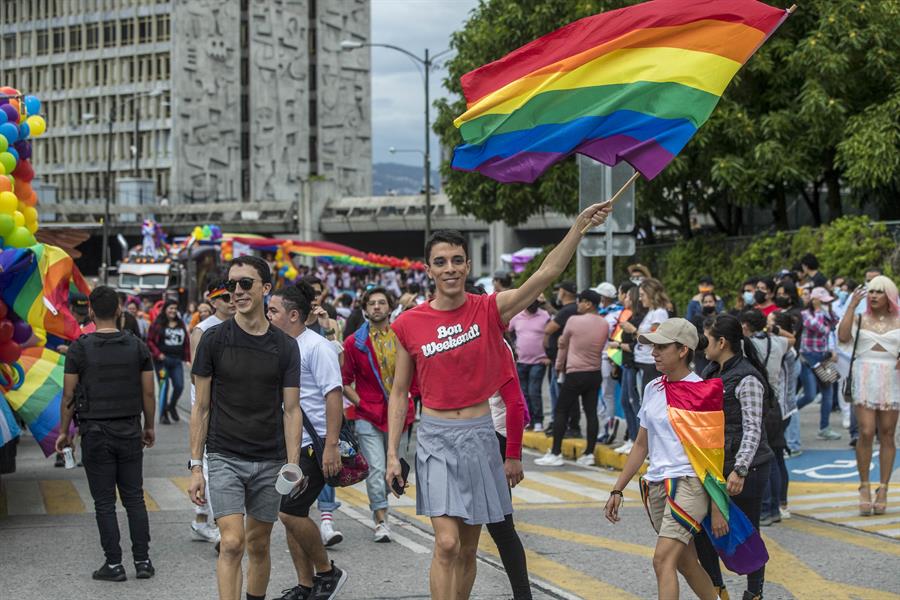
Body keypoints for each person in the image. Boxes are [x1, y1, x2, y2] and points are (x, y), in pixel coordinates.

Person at [386, 201, 610, 600]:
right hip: (435, 438)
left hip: (478, 437)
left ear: (468, 266)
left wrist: (578, 226)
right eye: (441, 262)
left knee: (469, 548)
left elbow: (546, 274)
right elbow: (400, 392)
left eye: (457, 260)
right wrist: (391, 455)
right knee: (447, 544)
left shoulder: (489, 309)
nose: (450, 268)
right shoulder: (408, 323)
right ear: (429, 270)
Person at [189, 255, 302, 600]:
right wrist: (196, 466)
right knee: (233, 542)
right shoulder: (213, 339)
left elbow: (292, 409)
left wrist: (293, 464)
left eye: (245, 283)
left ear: (266, 289)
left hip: (270, 459)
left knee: (259, 543)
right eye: (232, 284)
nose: (236, 291)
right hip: (224, 455)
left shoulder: (285, 346)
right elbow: (201, 407)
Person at [604, 318, 718, 600]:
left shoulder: (703, 392)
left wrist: (717, 505)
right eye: (652, 346)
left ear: (683, 350)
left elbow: (714, 455)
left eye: (661, 346)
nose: (653, 352)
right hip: (655, 485)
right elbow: (641, 444)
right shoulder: (653, 387)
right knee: (686, 563)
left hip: (689, 484)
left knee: (661, 560)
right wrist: (617, 489)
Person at [55, 285, 157, 582]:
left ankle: (113, 565)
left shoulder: (79, 348)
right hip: (128, 429)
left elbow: (68, 396)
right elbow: (148, 392)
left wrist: (65, 432)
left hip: (95, 432)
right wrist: (148, 425)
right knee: (134, 498)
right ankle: (143, 561)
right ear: (118, 310)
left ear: (90, 311)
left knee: (104, 502)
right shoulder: (137, 346)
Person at [267, 284, 349, 600]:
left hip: (314, 447)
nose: (268, 315)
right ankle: (305, 585)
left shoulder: (317, 347)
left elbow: (334, 396)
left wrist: (330, 445)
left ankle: (328, 572)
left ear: (293, 314)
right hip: (289, 444)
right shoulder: (281, 347)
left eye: (273, 310)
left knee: (289, 511)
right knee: (291, 515)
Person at [696, 314, 774, 600]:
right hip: (716, 466)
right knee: (701, 529)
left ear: (722, 342)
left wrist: (740, 469)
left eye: (707, 338)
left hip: (748, 469)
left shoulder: (747, 377)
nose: (703, 345)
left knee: (748, 532)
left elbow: (753, 428)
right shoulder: (711, 371)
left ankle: (754, 593)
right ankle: (717, 590)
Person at [341, 286, 416, 542]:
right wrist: (360, 403)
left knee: (394, 470)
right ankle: (381, 519)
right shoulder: (354, 342)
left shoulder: (403, 337)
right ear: (364, 309)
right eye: (371, 303)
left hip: (400, 415)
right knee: (375, 468)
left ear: (390, 307)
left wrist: (412, 397)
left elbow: (416, 374)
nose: (376, 307)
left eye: (381, 302)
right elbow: (344, 380)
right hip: (368, 415)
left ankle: (383, 503)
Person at [838, 276, 900, 516]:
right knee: (865, 431)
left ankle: (883, 488)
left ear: (889, 296)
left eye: (879, 292)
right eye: (871, 291)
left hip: (891, 379)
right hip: (864, 375)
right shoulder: (860, 317)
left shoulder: (898, 320)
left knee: (887, 433)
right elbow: (843, 337)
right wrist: (852, 306)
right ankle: (864, 485)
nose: (873, 296)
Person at [536, 289, 609, 467]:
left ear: (588, 304)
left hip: (575, 372)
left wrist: (559, 366)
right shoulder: (604, 323)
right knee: (591, 412)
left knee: (561, 411)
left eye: (580, 301)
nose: (577, 305)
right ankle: (589, 453)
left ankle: (555, 452)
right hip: (594, 372)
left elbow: (563, 345)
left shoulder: (573, 321)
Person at [188, 281, 236, 544]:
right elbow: (198, 375)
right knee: (208, 463)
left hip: (231, 405)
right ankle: (219, 525)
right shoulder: (202, 330)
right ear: (214, 301)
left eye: (234, 295)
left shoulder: (241, 325)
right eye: (225, 297)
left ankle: (201, 519)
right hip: (207, 405)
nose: (232, 300)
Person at [741, 309, 791, 527]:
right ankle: (778, 505)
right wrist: (774, 330)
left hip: (758, 401)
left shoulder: (746, 345)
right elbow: (793, 339)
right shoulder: (778, 342)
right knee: (777, 456)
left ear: (746, 326)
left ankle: (767, 508)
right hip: (776, 403)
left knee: (764, 459)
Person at [798, 287, 842, 441]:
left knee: (828, 394)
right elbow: (820, 328)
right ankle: (787, 417)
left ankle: (824, 428)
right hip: (807, 358)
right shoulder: (805, 314)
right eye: (823, 301)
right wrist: (820, 311)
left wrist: (827, 311)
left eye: (827, 302)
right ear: (814, 300)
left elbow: (835, 324)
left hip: (822, 357)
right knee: (809, 395)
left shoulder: (826, 314)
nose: (826, 304)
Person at [608, 284, 644, 453]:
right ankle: (632, 438)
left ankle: (639, 441)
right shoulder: (630, 317)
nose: (625, 299)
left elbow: (636, 343)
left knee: (635, 403)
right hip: (626, 364)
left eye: (629, 296)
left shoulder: (638, 320)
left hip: (635, 365)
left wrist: (618, 345)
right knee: (626, 401)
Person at [508, 294, 551, 431]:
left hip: (539, 361)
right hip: (520, 361)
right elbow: (508, 332)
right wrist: (513, 350)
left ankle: (538, 420)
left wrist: (548, 356)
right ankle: (529, 420)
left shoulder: (545, 316)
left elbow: (552, 336)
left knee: (534, 391)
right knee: (524, 393)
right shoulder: (517, 316)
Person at [543, 280, 581, 436]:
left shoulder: (567, 311)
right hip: (560, 359)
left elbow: (550, 328)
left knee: (561, 395)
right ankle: (561, 424)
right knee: (558, 393)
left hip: (562, 361)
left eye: (559, 291)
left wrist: (546, 338)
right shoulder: (571, 309)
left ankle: (568, 426)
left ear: (563, 292)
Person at [147, 301, 191, 425]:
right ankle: (163, 415)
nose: (173, 310)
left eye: (175, 308)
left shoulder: (181, 323)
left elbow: (186, 341)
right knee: (164, 387)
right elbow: (150, 340)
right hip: (162, 361)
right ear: (165, 309)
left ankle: (171, 406)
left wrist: (187, 358)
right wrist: (158, 354)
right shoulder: (158, 323)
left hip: (177, 360)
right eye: (171, 308)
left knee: (179, 385)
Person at [595, 282, 623, 444]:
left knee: (607, 394)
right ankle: (602, 428)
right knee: (600, 396)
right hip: (597, 357)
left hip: (608, 357)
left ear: (604, 298)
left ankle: (608, 428)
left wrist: (613, 361)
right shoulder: (601, 313)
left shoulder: (616, 315)